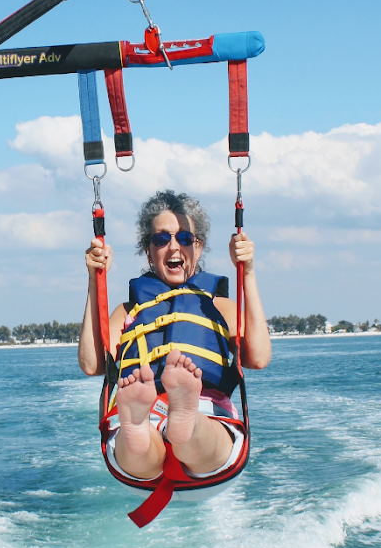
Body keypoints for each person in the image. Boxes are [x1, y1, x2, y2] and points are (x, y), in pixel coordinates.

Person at [78, 189, 271, 491]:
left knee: (198, 436)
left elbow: (258, 357)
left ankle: (185, 419)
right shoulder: (129, 311)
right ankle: (139, 424)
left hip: (206, 409)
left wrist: (247, 271)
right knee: (141, 446)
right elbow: (92, 364)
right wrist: (95, 278)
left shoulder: (217, 305)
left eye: (184, 238)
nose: (173, 247)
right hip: (145, 409)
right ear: (148, 250)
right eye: (161, 239)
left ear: (199, 246)